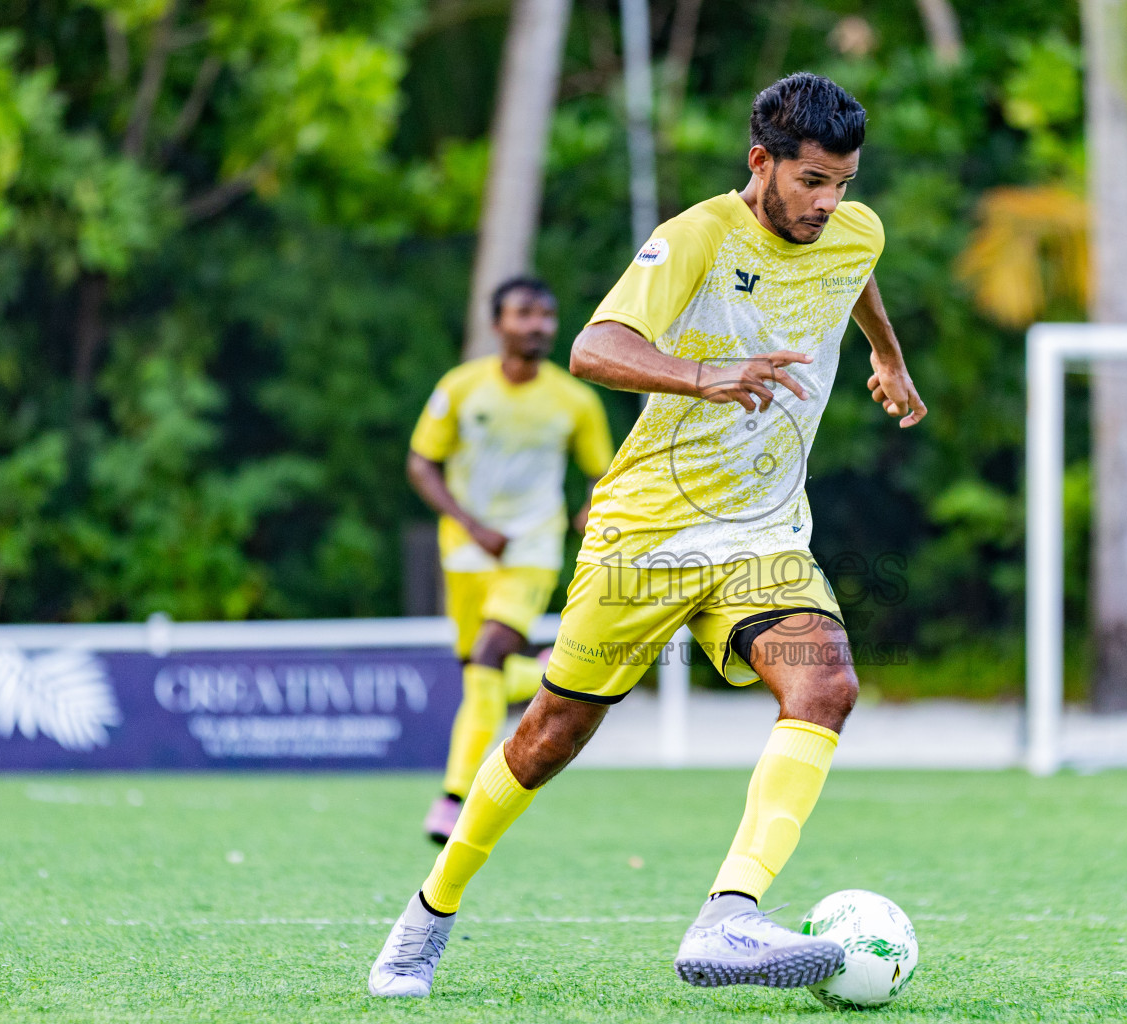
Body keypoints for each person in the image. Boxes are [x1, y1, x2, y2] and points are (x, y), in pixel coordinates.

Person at [368, 71, 927, 999]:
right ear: (762, 161)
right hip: (647, 535)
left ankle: (729, 915)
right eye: (812, 181)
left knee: (826, 684)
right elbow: (594, 349)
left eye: (843, 182)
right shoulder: (698, 235)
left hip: (762, 535)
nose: (829, 203)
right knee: (550, 734)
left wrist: (888, 356)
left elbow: (853, 275)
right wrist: (709, 375)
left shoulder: (851, 230)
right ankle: (431, 910)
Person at [407, 275, 613, 844]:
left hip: (532, 547)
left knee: (488, 654)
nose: (538, 325)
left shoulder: (575, 400)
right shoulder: (461, 388)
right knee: (479, 675)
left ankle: (452, 799)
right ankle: (543, 673)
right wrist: (472, 525)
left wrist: (591, 508)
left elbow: (603, 473)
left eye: (546, 315)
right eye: (524, 313)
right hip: (465, 552)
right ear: (497, 323)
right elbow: (421, 463)